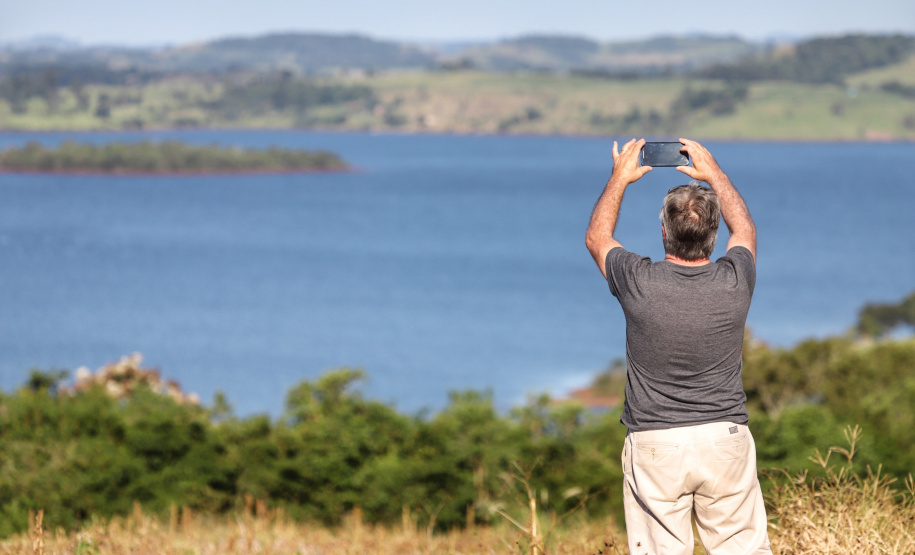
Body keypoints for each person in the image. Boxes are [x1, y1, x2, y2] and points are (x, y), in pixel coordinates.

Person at [585, 138, 771, 554]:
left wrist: (619, 178)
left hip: (655, 443)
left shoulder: (638, 282)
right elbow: (746, 230)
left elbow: (597, 237)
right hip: (724, 435)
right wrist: (714, 173)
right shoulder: (736, 280)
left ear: (664, 231)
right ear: (713, 233)